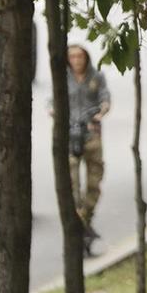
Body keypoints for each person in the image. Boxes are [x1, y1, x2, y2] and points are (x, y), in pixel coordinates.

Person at [66, 45, 110, 252]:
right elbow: (51, 102)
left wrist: (99, 115)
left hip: (91, 136)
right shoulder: (63, 78)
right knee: (72, 187)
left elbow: (105, 100)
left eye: (79, 56)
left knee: (94, 184)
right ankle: (78, 227)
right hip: (69, 137)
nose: (76, 60)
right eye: (72, 56)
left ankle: (85, 221)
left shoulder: (96, 77)